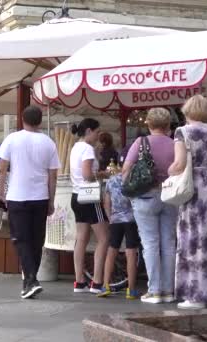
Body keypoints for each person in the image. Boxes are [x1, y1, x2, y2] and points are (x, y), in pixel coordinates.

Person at [169, 95, 207, 309]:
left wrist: (168, 173)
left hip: (195, 187)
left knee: (193, 238)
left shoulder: (182, 132)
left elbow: (179, 164)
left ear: (186, 111)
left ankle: (195, 295)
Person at [0, 105, 60, 299]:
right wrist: (51, 200)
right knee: (36, 240)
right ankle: (29, 283)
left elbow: (2, 169)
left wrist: (0, 194)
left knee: (21, 239)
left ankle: (31, 280)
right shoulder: (48, 142)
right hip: (40, 197)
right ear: (40, 121)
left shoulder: (12, 139)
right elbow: (53, 176)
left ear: (22, 119)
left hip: (17, 196)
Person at [122, 107, 176, 304]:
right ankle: (169, 290)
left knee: (150, 243)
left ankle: (154, 291)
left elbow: (126, 170)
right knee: (169, 243)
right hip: (170, 195)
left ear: (149, 124)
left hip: (144, 197)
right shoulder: (174, 144)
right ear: (168, 125)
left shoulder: (140, 142)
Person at [69, 118, 109, 294]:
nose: (99, 136)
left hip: (76, 196)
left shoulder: (76, 147)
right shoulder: (87, 149)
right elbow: (87, 175)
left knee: (81, 238)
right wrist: (102, 174)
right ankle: (97, 282)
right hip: (89, 197)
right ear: (88, 132)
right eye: (97, 132)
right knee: (104, 238)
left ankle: (79, 281)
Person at [96, 150, 140, 300]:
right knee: (131, 253)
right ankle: (131, 289)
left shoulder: (111, 180)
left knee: (111, 251)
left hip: (115, 220)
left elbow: (106, 202)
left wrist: (110, 217)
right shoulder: (134, 179)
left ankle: (105, 285)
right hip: (131, 220)